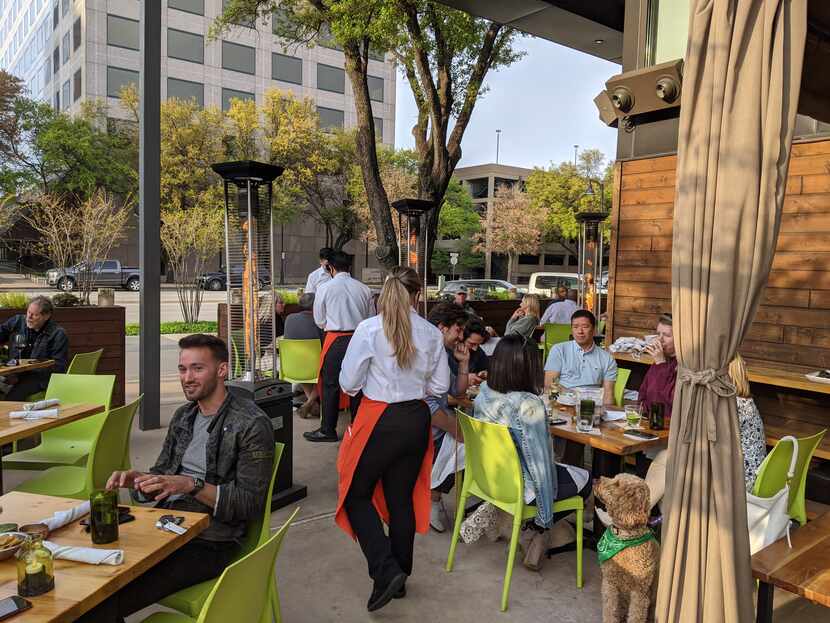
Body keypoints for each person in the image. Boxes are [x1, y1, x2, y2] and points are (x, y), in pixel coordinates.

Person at [78, 334, 275, 623]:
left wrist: (191, 485)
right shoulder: (184, 416)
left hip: (210, 541)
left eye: (197, 368)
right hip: (164, 526)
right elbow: (162, 477)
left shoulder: (251, 424)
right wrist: (140, 482)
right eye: (183, 369)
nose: (187, 378)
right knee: (87, 578)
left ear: (222, 371)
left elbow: (249, 504)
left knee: (101, 600)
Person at [337, 267, 450, 612]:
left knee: (356, 496)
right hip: (415, 418)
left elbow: (348, 383)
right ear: (418, 294)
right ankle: (400, 575)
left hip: (379, 418)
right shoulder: (431, 332)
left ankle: (385, 570)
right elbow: (441, 387)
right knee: (400, 498)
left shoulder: (370, 328)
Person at [473, 334, 592, 569]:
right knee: (587, 480)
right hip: (521, 486)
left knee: (565, 470)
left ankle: (535, 532)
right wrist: (544, 517)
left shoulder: (484, 392)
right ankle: (537, 533)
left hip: (490, 480)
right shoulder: (529, 403)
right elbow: (540, 466)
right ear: (527, 367)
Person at [305, 250, 374, 442]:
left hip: (334, 339)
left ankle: (328, 429)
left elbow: (319, 320)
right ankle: (358, 427)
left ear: (330, 267)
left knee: (330, 385)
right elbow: (370, 319)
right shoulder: (364, 289)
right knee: (359, 384)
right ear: (349, 267)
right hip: (359, 339)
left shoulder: (325, 288)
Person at [425, 302, 470, 532]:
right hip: (422, 427)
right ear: (442, 328)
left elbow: (457, 391)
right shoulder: (425, 351)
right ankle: (433, 499)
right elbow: (428, 405)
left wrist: (463, 363)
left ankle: (436, 497)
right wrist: (457, 430)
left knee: (472, 438)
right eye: (458, 329)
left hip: (436, 422)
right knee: (471, 445)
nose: (461, 336)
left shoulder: (441, 352)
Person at [0, 296, 68, 400]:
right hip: (14, 373)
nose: (29, 317)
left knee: (11, 398)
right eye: (28, 312)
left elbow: (59, 366)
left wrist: (33, 366)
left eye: (35, 315)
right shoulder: (18, 321)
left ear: (47, 316)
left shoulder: (58, 334)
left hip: (40, 378)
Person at [544, 309, 617, 404]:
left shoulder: (607, 358)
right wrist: (575, 396)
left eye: (585, 327)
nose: (580, 331)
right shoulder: (559, 350)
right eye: (575, 327)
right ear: (571, 329)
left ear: (594, 329)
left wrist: (605, 414)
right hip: (563, 404)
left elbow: (608, 394)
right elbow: (549, 385)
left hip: (591, 407)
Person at [284, 293, 324, 419]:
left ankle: (310, 403)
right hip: (315, 367)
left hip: (292, 367)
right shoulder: (319, 323)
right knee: (329, 368)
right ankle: (310, 402)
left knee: (304, 368)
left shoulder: (289, 318)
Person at [638, 313, 677, 414]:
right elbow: (642, 395)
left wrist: (661, 364)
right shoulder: (659, 361)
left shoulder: (683, 366)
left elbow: (666, 404)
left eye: (667, 335)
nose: (660, 339)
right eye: (658, 334)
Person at [451, 319, 489, 386]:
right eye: (472, 344)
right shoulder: (447, 352)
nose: (475, 348)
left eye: (478, 344)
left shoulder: (477, 351)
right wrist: (464, 378)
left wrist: (485, 373)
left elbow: (487, 367)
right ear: (461, 337)